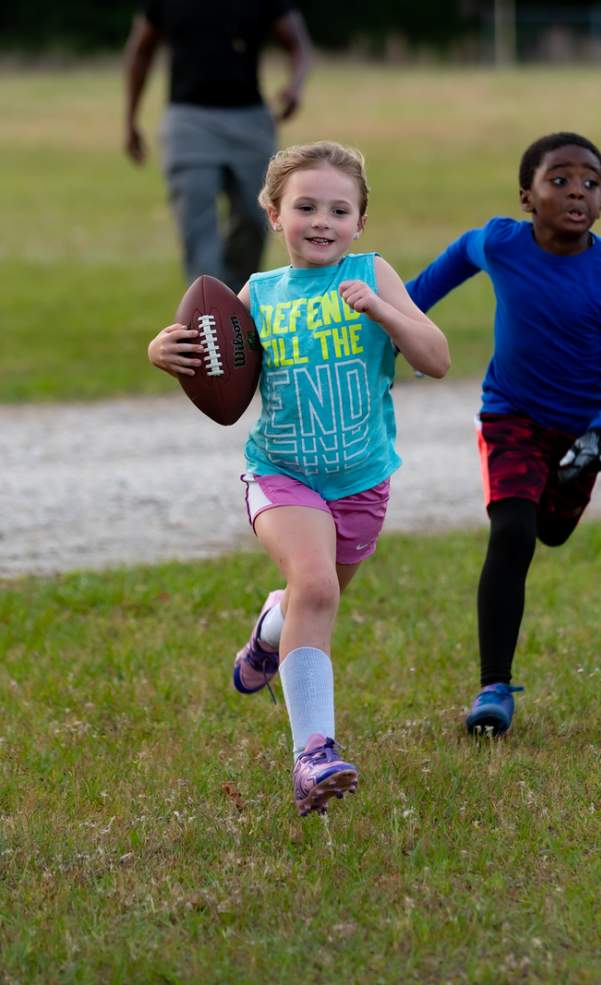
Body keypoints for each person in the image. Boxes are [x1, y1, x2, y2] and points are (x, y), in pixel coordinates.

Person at [148, 141, 450, 814]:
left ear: (360, 223)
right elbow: (211, 359)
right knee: (315, 586)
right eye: (305, 206)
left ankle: (267, 632)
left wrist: (383, 310)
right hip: (281, 474)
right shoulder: (257, 294)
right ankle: (313, 754)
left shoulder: (373, 275)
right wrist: (161, 348)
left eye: (339, 209)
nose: (322, 220)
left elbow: (436, 357)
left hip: (363, 483)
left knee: (311, 599)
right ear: (274, 214)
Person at [407, 132, 601, 736]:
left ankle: (564, 490)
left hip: (583, 433)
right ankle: (494, 689)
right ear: (526, 197)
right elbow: (455, 258)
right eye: (559, 180)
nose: (576, 192)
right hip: (510, 415)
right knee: (513, 532)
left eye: (591, 183)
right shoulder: (500, 243)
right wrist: (402, 315)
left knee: (552, 529)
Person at [123, 1, 311, 292]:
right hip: (188, 122)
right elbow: (141, 50)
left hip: (250, 120)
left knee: (255, 214)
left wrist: (295, 86)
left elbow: (298, 44)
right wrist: (130, 120)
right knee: (196, 223)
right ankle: (207, 311)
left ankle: (237, 304)